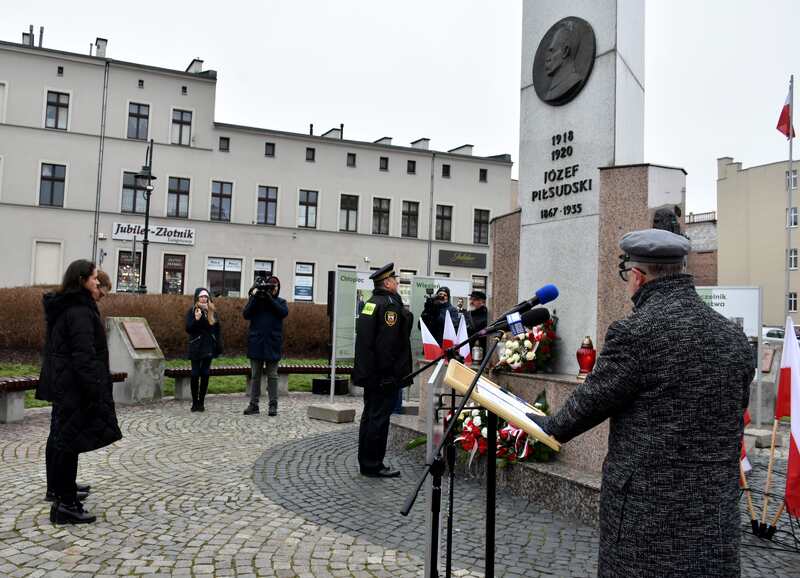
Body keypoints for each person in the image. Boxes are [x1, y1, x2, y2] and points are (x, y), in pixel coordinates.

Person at [529, 229, 754, 577]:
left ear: (637, 276)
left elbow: (588, 404)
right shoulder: (732, 336)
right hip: (714, 518)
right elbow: (737, 411)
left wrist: (543, 423)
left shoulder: (636, 332)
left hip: (648, 520)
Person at [37, 259, 123, 524]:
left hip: (68, 386)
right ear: (82, 280)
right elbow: (84, 356)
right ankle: (66, 504)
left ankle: (66, 497)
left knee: (66, 442)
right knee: (68, 444)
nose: (98, 281)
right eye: (95, 277)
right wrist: (94, 391)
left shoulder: (71, 307)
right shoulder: (78, 312)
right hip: (74, 388)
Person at [353, 262, 413, 478]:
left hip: (371, 373)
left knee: (370, 417)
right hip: (383, 376)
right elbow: (387, 345)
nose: (397, 283)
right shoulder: (389, 306)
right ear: (387, 283)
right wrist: (388, 374)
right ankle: (373, 464)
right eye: (394, 280)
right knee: (378, 420)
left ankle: (366, 462)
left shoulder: (371, 303)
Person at [242, 275, 288, 416]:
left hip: (272, 344)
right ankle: (253, 405)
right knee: (255, 375)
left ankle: (273, 405)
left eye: (276, 287)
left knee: (272, 375)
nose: (274, 289)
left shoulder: (281, 302)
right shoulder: (257, 300)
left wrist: (270, 299)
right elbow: (246, 314)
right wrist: (255, 297)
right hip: (256, 343)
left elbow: (283, 313)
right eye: (271, 286)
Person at [185, 287, 222, 412]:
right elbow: (188, 329)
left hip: (208, 346)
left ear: (208, 298)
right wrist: (196, 319)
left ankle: (201, 402)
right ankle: (195, 402)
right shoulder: (192, 311)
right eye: (201, 296)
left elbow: (216, 330)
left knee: (205, 373)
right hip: (196, 346)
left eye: (206, 296)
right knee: (195, 374)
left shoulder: (212, 311)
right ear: (197, 298)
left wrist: (219, 345)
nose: (204, 298)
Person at [543, 20, 584, 102]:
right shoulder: (552, 90)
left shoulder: (573, 82)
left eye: (552, 51)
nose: (547, 59)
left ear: (565, 51)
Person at [465, 290, 489, 358]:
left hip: (480, 351)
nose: (471, 302)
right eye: (471, 299)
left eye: (475, 300)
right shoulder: (467, 314)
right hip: (467, 350)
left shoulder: (487, 315)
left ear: (482, 302)